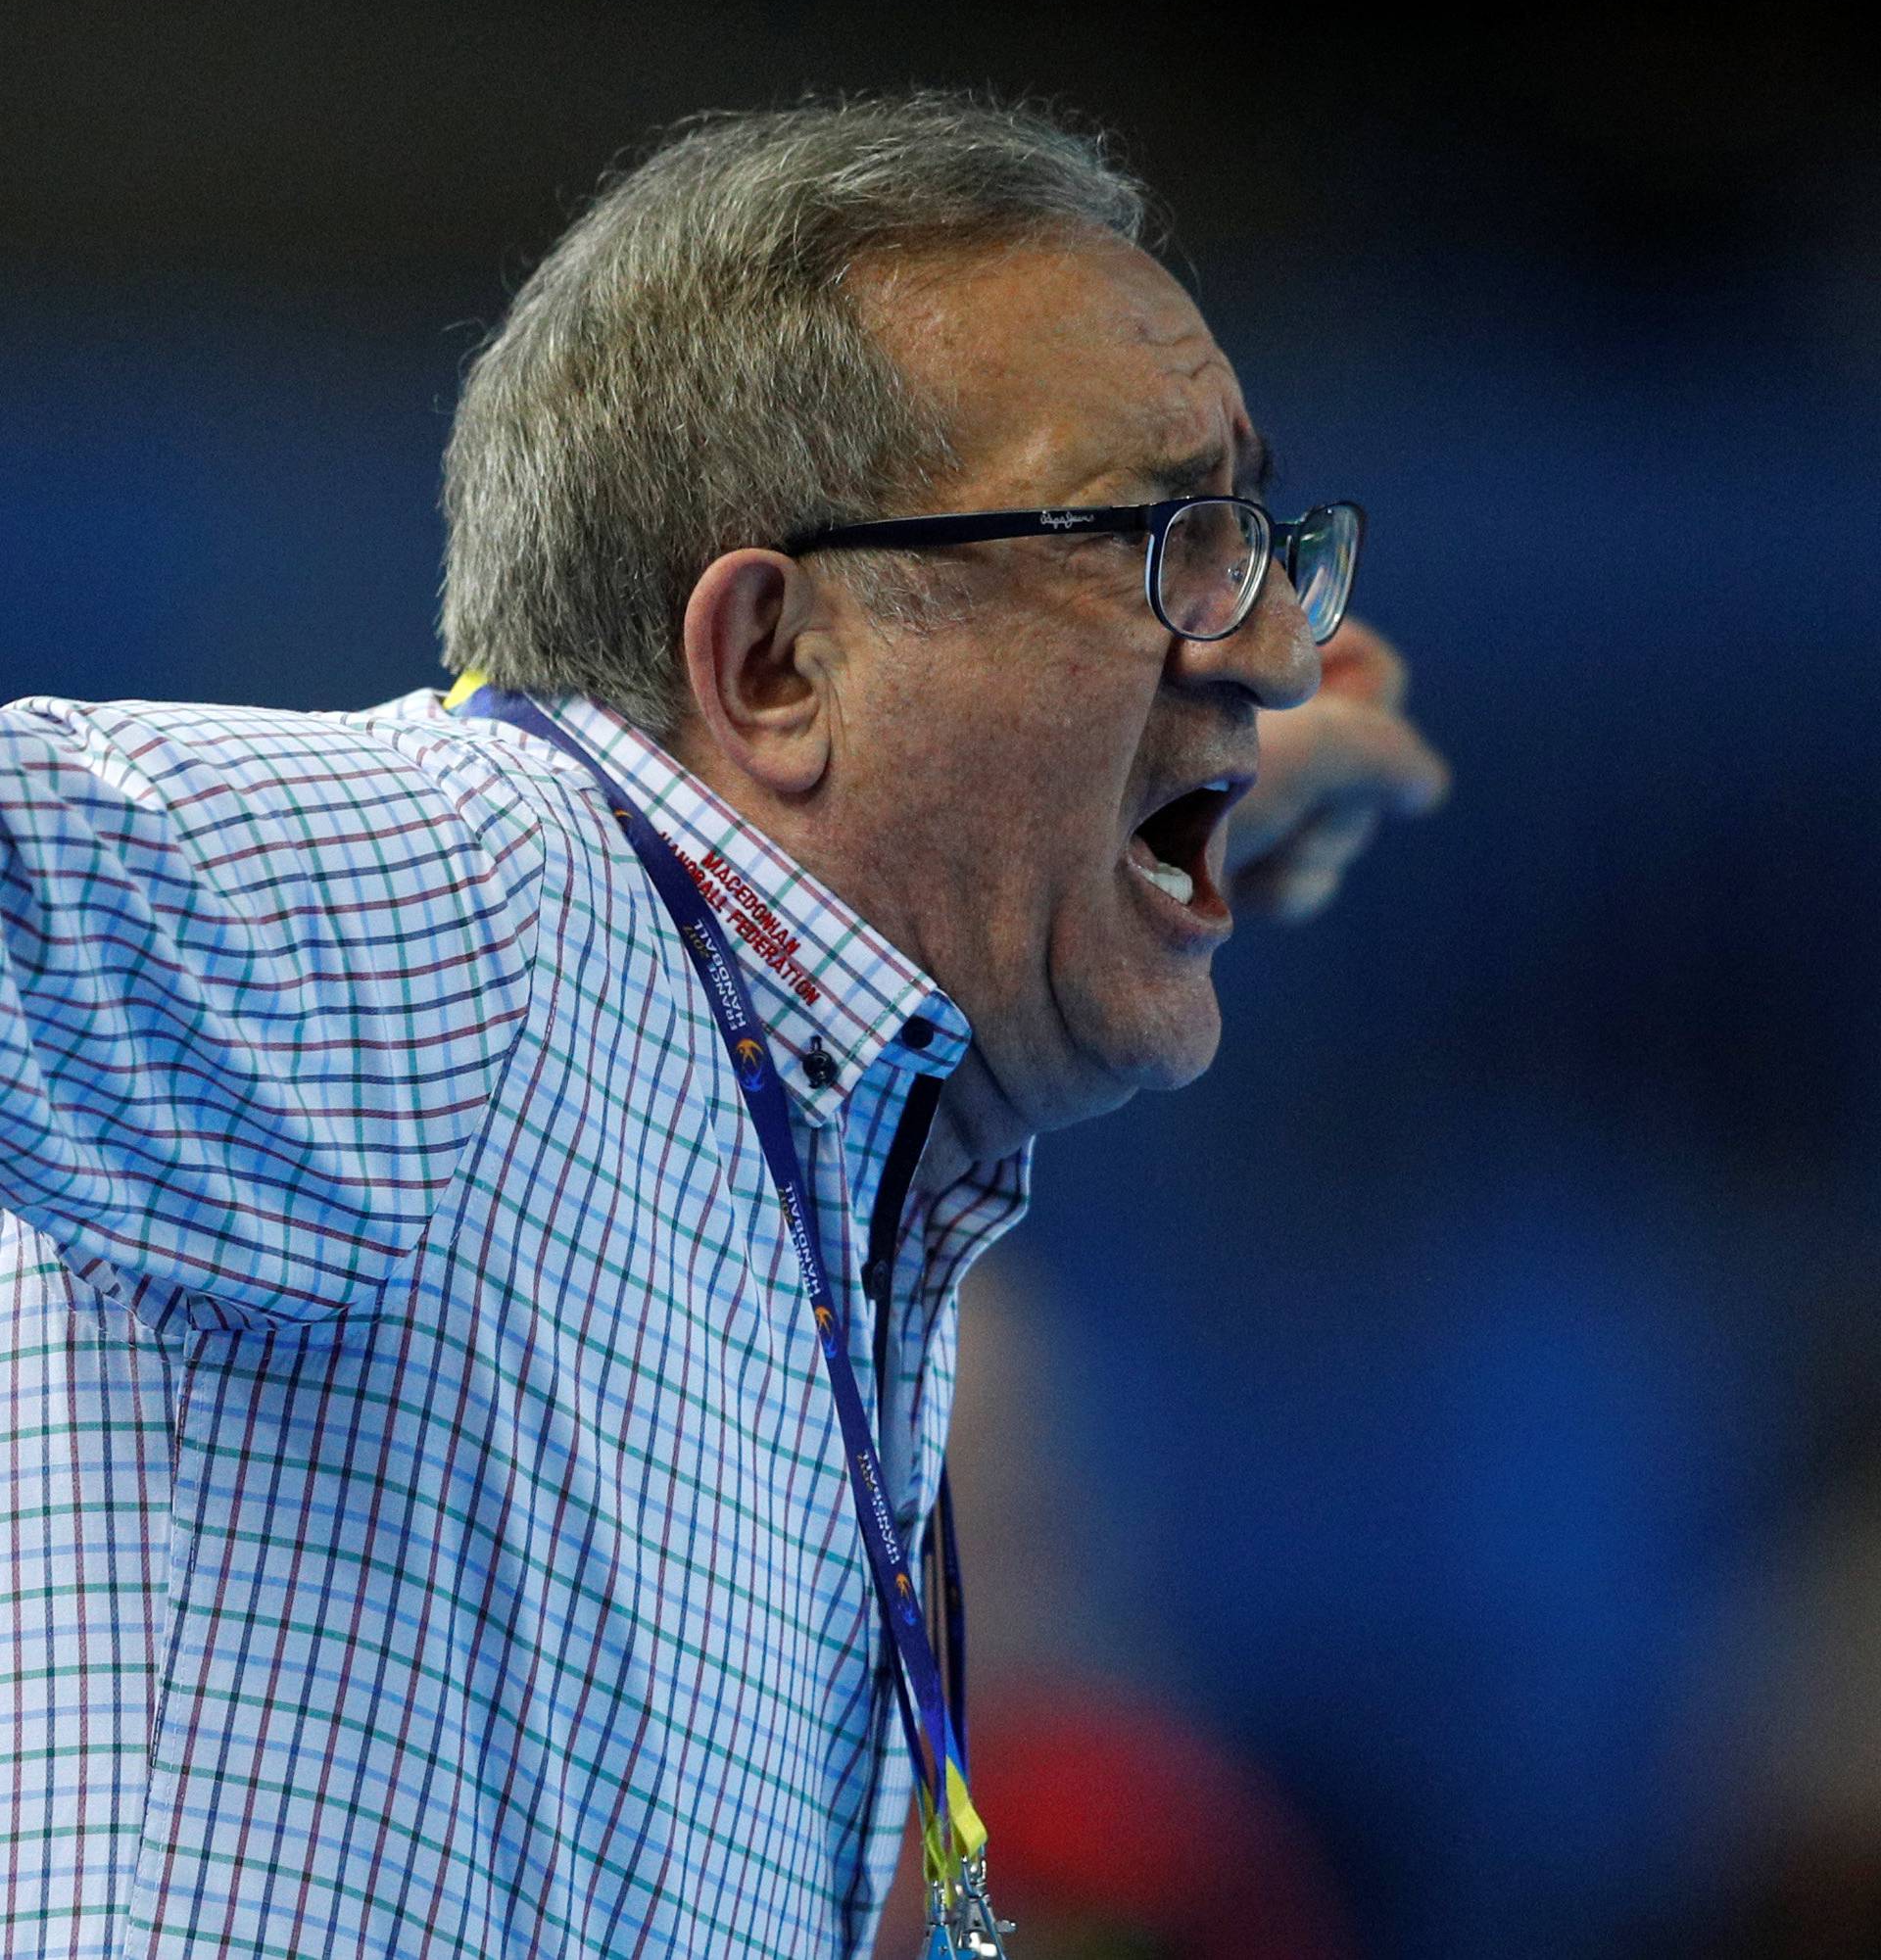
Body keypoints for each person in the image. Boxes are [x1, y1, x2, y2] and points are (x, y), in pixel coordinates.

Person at [0, 95, 1446, 1957]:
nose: (1256, 644)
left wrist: (1276, 775)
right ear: (772, 662)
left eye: (1250, 534)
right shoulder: (485, 890)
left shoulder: (824, 1120)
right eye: (1159, 534)